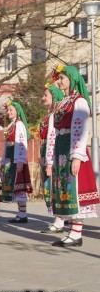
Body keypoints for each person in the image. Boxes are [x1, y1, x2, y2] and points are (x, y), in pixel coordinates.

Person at [47, 65, 99, 247]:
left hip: (72, 149)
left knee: (74, 190)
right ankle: (72, 231)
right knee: (65, 190)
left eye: (62, 78)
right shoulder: (63, 102)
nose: (59, 81)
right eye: (58, 78)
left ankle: (76, 234)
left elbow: (81, 129)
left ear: (72, 79)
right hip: (62, 149)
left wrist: (77, 155)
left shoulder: (79, 101)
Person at [0, 100, 33, 223]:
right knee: (14, 186)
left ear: (17, 111)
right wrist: (3, 161)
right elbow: (6, 144)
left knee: (19, 186)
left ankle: (23, 214)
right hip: (10, 156)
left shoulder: (19, 124)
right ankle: (20, 214)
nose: (8, 112)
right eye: (8, 110)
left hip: (16, 157)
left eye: (11, 110)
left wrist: (20, 160)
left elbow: (22, 142)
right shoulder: (11, 125)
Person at [39, 83, 65, 234]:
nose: (43, 98)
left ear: (54, 97)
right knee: (49, 187)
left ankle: (59, 220)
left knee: (54, 186)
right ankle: (58, 219)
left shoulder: (55, 115)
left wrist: (50, 160)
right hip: (47, 152)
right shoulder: (49, 115)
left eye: (46, 95)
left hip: (54, 154)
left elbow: (52, 137)